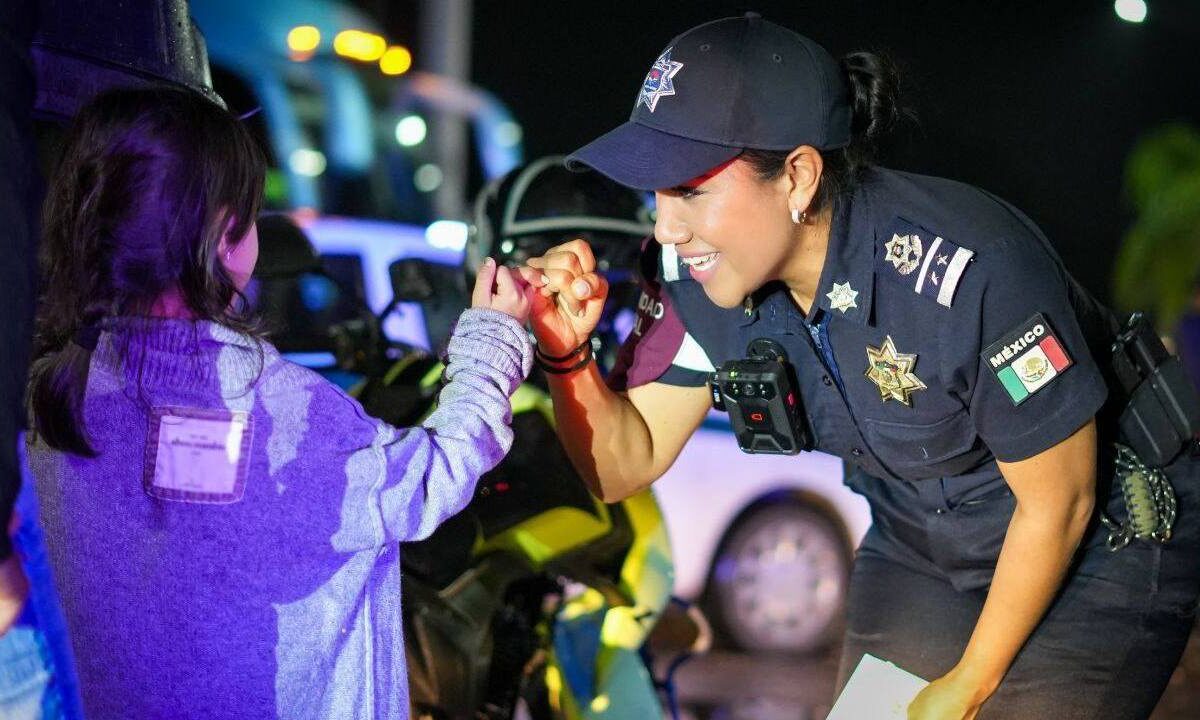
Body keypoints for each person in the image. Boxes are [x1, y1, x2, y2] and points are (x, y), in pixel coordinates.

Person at [520, 14, 1200, 720]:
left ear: (797, 176)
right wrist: (566, 356)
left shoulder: (968, 271)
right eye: (655, 192)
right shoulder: (696, 276)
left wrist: (968, 684)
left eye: (689, 190)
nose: (664, 225)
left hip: (1100, 536)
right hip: (918, 538)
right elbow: (624, 464)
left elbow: (1059, 503)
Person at [25, 85, 533, 719]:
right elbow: (427, 481)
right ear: (222, 234)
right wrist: (492, 336)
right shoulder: (273, 406)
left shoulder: (49, 395)